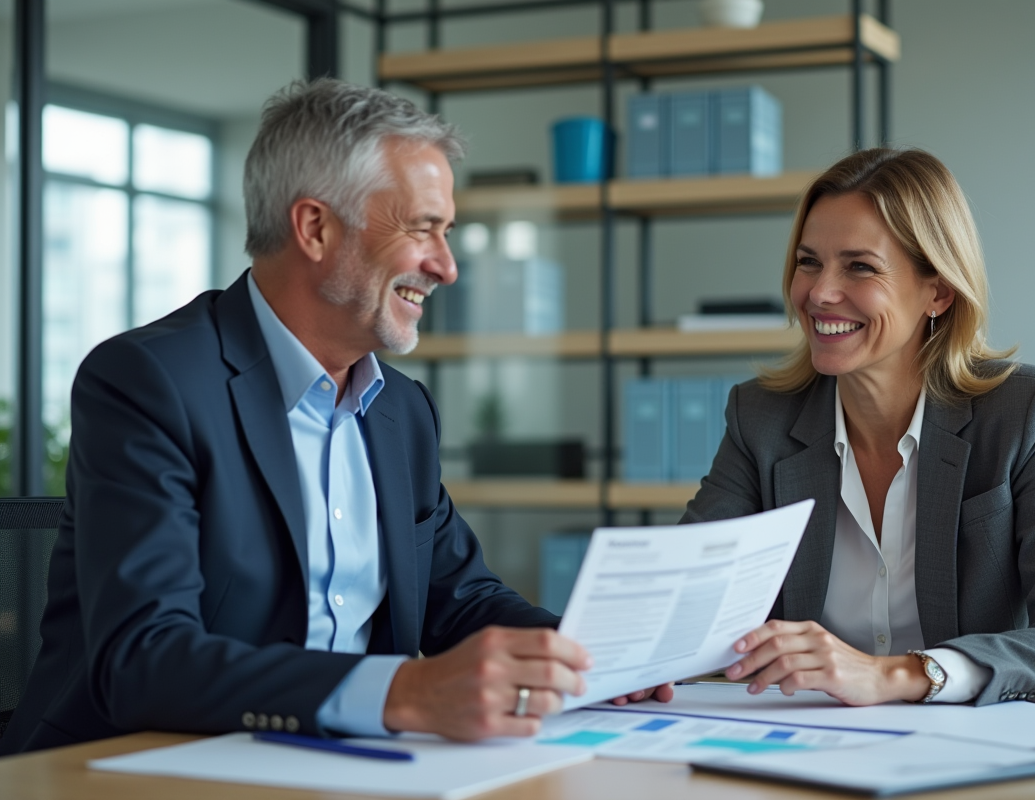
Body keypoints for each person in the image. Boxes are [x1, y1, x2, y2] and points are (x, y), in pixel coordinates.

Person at [1, 79, 666, 756]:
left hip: (339, 765)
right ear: (315, 227)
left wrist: (583, 659)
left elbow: (458, 599)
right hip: (127, 767)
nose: (447, 266)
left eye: (448, 232)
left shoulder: (401, 409)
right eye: (422, 228)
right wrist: (404, 692)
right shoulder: (149, 382)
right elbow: (145, 658)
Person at [682, 147, 1035, 706]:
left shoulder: (1022, 412)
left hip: (969, 753)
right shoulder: (760, 418)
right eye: (809, 261)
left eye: (859, 266)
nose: (818, 293)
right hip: (805, 741)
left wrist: (898, 675)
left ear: (937, 291)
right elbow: (686, 599)